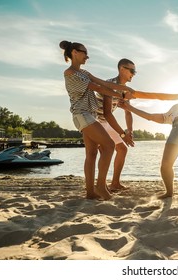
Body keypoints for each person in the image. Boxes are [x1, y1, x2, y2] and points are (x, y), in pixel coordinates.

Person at [59, 40, 133, 200]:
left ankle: (90, 192)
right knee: (109, 145)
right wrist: (121, 94)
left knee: (91, 154)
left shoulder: (84, 73)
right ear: (74, 53)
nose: (87, 56)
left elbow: (103, 83)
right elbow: (98, 88)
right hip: (82, 114)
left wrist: (126, 89)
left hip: (89, 115)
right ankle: (100, 186)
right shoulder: (70, 73)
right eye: (84, 52)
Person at [95, 59, 136, 191]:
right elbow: (107, 113)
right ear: (122, 69)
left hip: (106, 121)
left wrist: (129, 131)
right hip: (96, 121)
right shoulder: (110, 85)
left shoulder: (124, 90)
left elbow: (128, 112)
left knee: (122, 149)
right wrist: (122, 134)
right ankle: (101, 185)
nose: (134, 74)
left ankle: (115, 183)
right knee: (106, 151)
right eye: (132, 71)